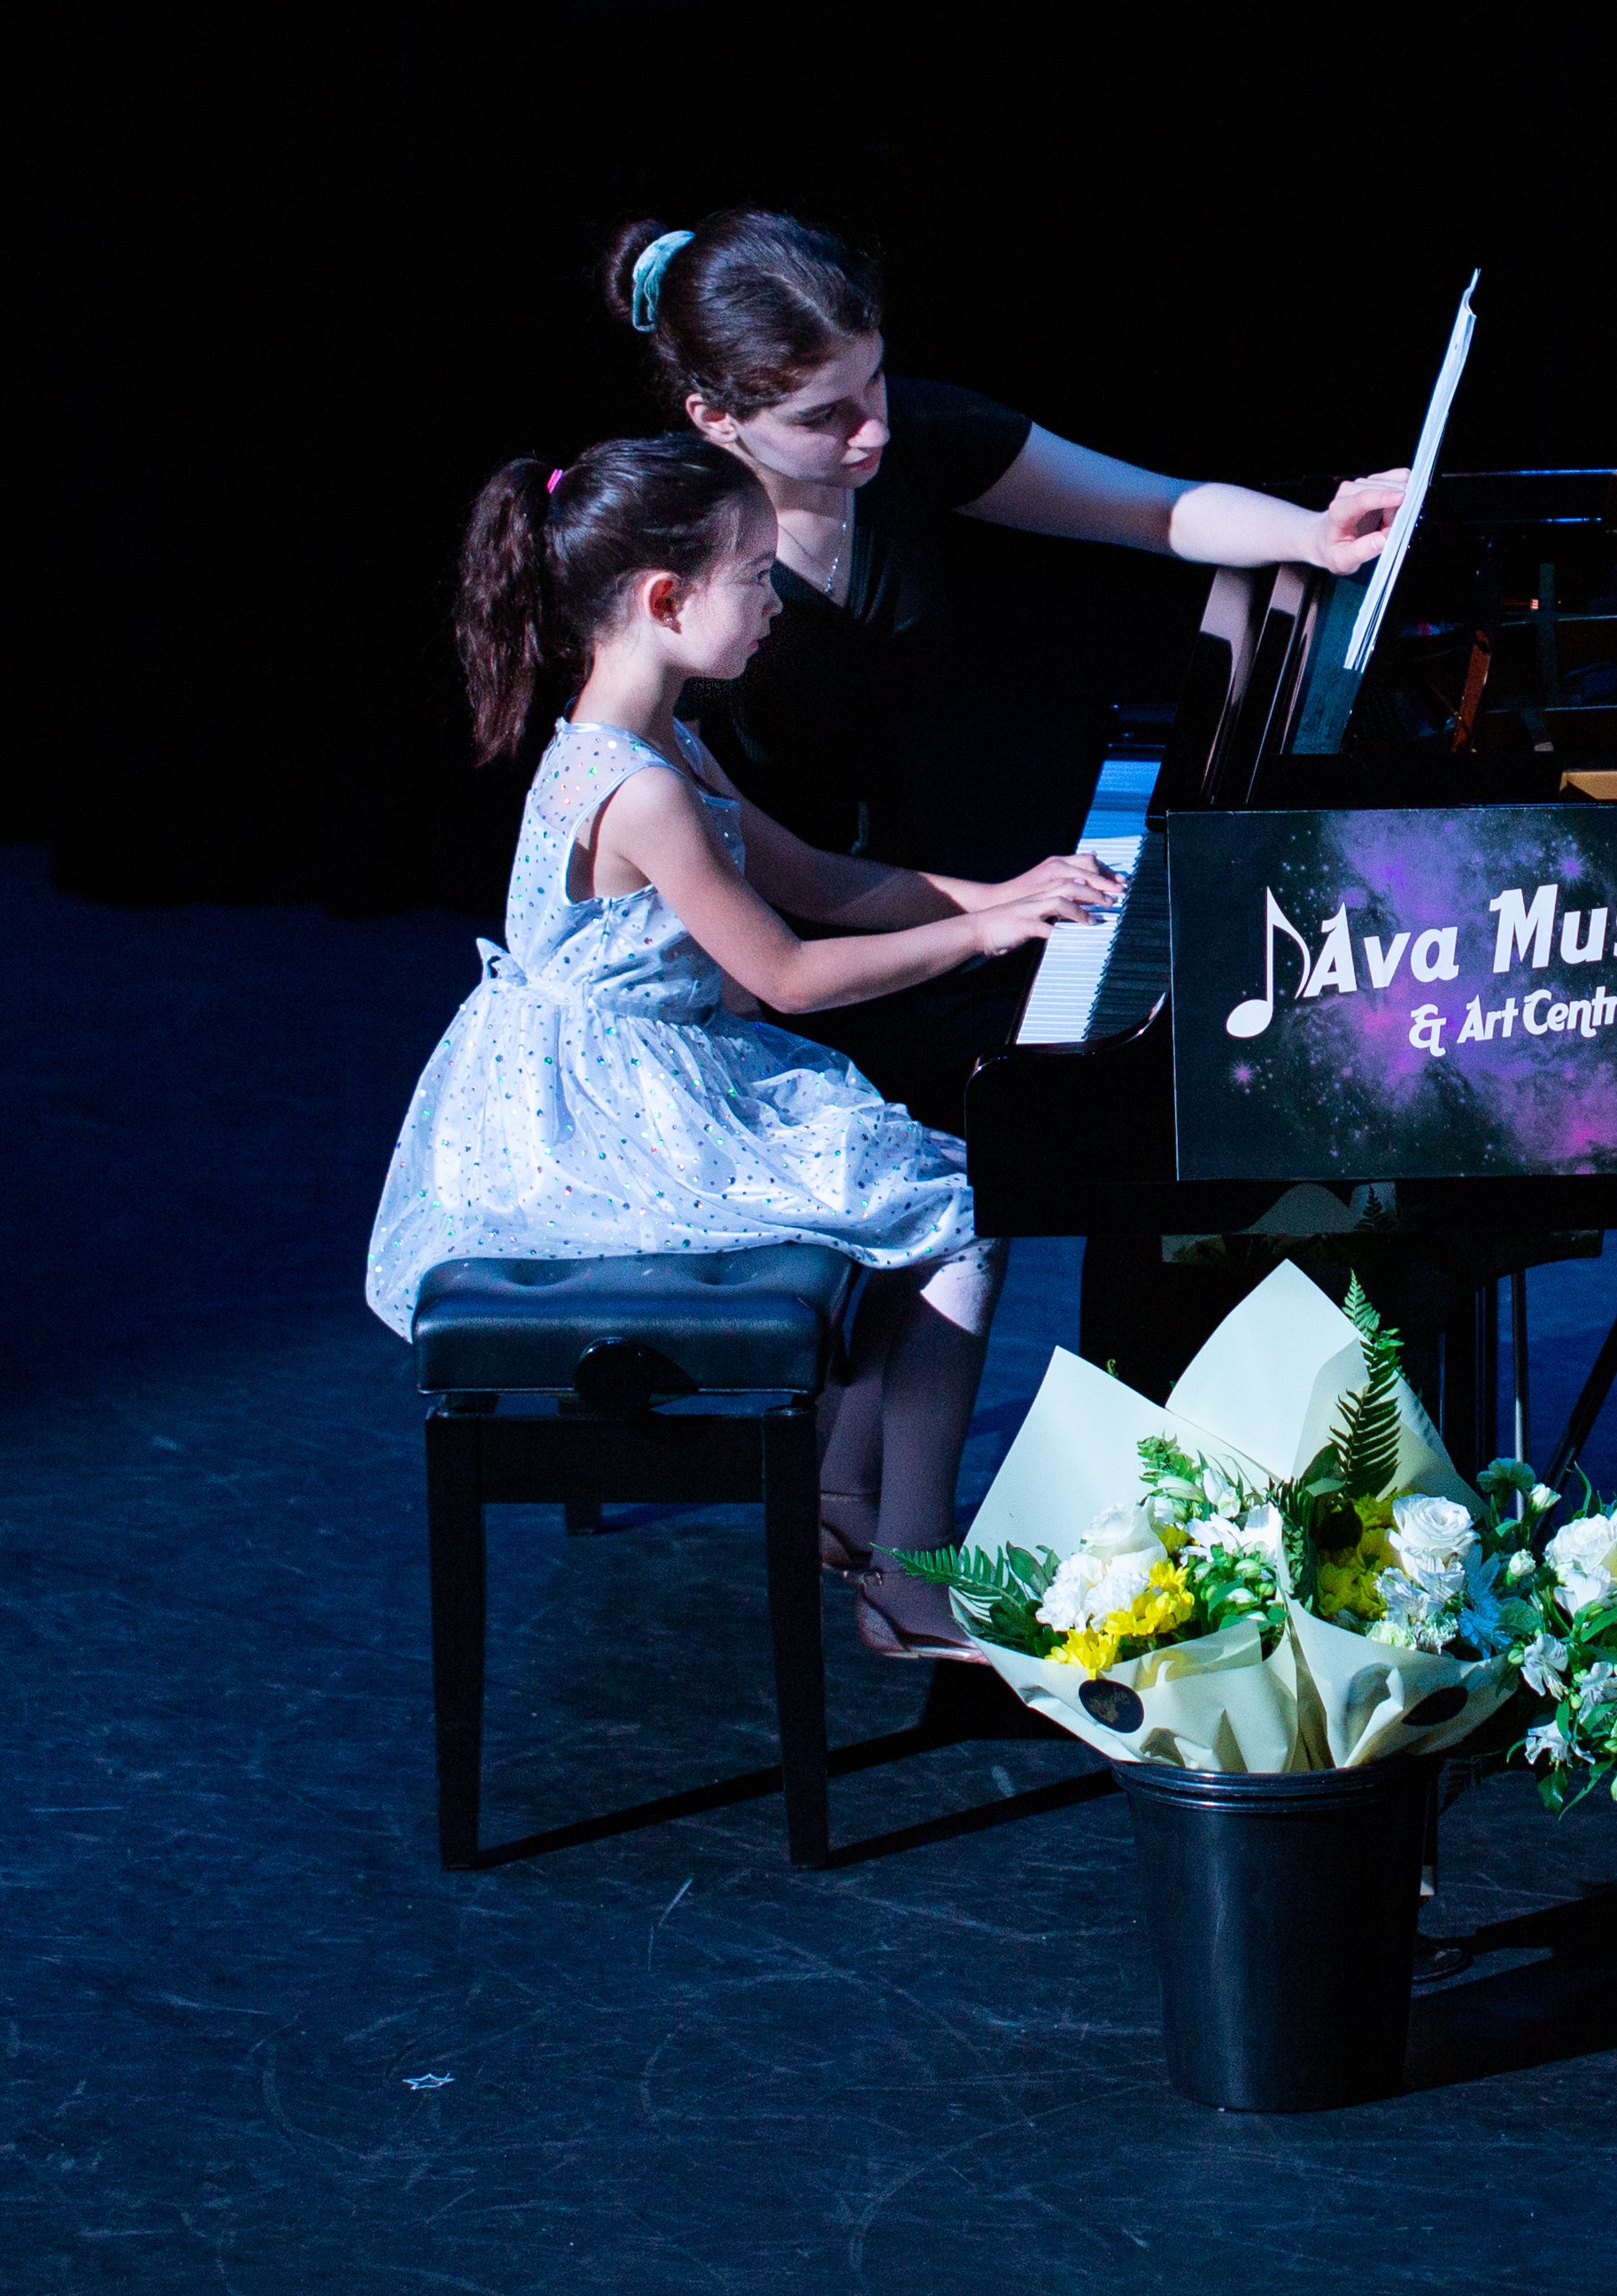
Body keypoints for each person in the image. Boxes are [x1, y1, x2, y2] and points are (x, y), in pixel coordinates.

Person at [366, 434, 1106, 1661]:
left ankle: (844, 1501)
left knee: (902, 1181)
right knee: (960, 1212)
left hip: (655, 1071)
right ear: (664, 599)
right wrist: (983, 934)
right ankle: (910, 1573)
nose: (775, 603)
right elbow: (788, 972)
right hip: (602, 1123)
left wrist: (1002, 886)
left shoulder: (664, 738)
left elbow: (813, 877)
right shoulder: (636, 784)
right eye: (756, 576)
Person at [603, 209, 1400, 1118]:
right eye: (822, 416)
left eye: (874, 382)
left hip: (905, 892)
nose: (870, 430)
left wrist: (1312, 534)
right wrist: (983, 913)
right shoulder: (672, 557)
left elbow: (1154, 510)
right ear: (713, 418)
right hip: (765, 964)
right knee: (1098, 1107)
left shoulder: (906, 442)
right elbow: (772, 872)